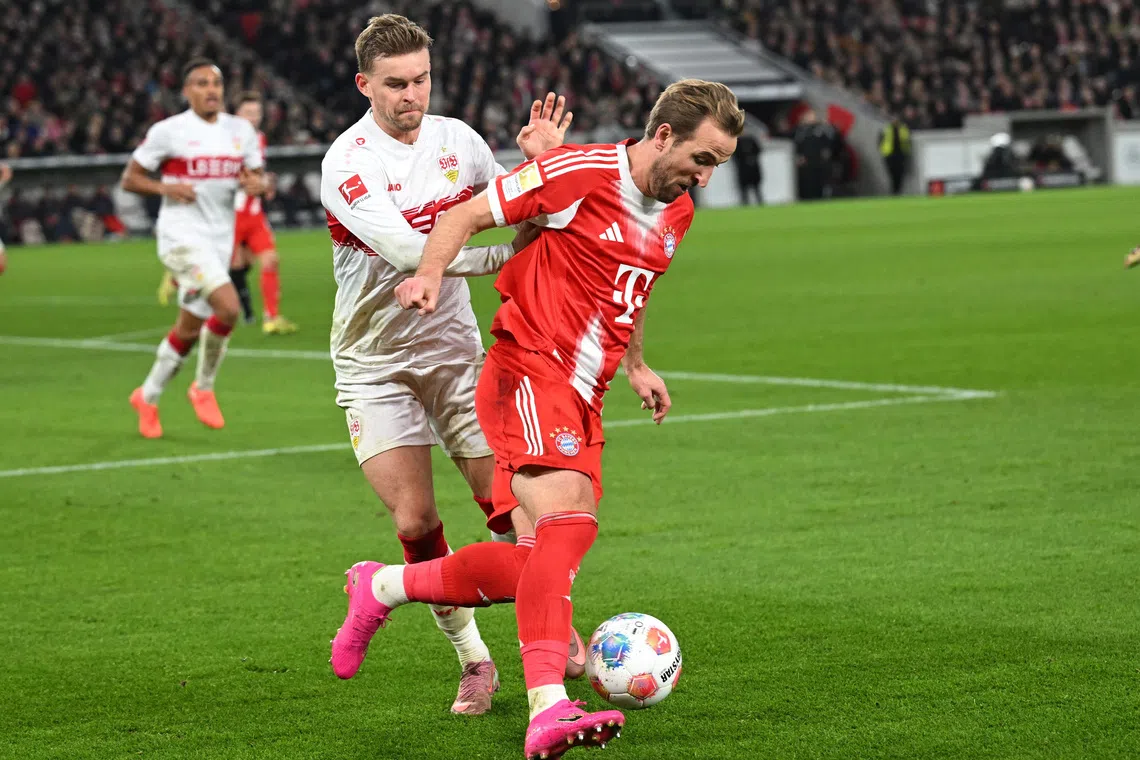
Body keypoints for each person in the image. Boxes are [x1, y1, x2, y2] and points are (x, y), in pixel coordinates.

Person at [333, 78, 744, 759]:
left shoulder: (676, 212)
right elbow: (464, 215)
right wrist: (430, 274)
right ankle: (547, 708)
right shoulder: (578, 172)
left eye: (717, 166)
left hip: (584, 394)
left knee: (534, 562)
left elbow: (633, 286)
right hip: (528, 368)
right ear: (664, 135)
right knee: (569, 521)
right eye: (702, 159)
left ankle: (382, 585)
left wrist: (637, 364)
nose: (704, 178)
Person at [319, 14, 579, 716]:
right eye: (395, 84)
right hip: (375, 362)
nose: (412, 95)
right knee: (414, 522)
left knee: (512, 513)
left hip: (456, 354)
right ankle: (474, 661)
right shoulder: (348, 162)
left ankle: (554, 640)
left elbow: (521, 208)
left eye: (421, 79)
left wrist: (539, 166)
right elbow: (411, 254)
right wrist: (504, 255)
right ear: (364, 84)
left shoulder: (459, 142)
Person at [122, 59, 266, 438]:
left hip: (219, 240)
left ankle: (147, 396)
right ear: (187, 91)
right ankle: (202, 388)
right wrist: (165, 188)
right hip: (181, 236)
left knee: (187, 329)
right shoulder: (169, 131)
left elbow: (258, 178)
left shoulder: (241, 131)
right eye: (201, 83)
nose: (211, 89)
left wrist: (260, 185)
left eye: (216, 83)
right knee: (229, 308)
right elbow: (130, 178)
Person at [229, 91, 298, 334]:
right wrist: (253, 182)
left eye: (257, 113)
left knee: (270, 260)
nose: (254, 117)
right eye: (248, 113)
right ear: (237, 115)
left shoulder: (259, 139)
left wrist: (266, 182)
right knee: (235, 266)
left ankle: (271, 318)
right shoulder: (227, 141)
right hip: (230, 216)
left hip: (255, 214)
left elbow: (258, 174)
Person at [879, 115, 911, 195]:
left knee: (899, 174)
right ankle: (894, 191)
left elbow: (908, 140)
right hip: (889, 154)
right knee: (892, 173)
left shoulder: (903, 129)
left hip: (901, 154)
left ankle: (897, 191)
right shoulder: (886, 129)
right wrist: (883, 150)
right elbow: (880, 140)